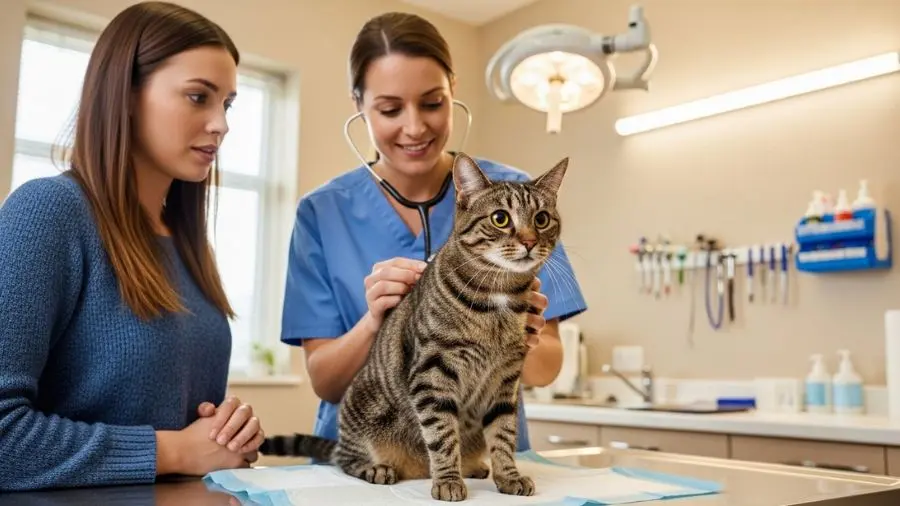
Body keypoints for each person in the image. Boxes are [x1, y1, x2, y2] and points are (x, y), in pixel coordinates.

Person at [280, 11, 587, 454]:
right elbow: (326, 383)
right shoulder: (323, 212)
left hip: (480, 463)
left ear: (452, 90)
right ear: (358, 106)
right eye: (389, 109)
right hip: (373, 461)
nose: (415, 127)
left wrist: (520, 336)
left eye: (431, 102)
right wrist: (375, 323)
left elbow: (545, 370)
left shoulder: (519, 204)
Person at [0, 1, 265, 492]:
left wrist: (227, 433)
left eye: (226, 104)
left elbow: (181, 421)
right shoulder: (48, 213)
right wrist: (175, 448)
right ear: (125, 95)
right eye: (196, 97)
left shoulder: (185, 242)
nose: (221, 124)